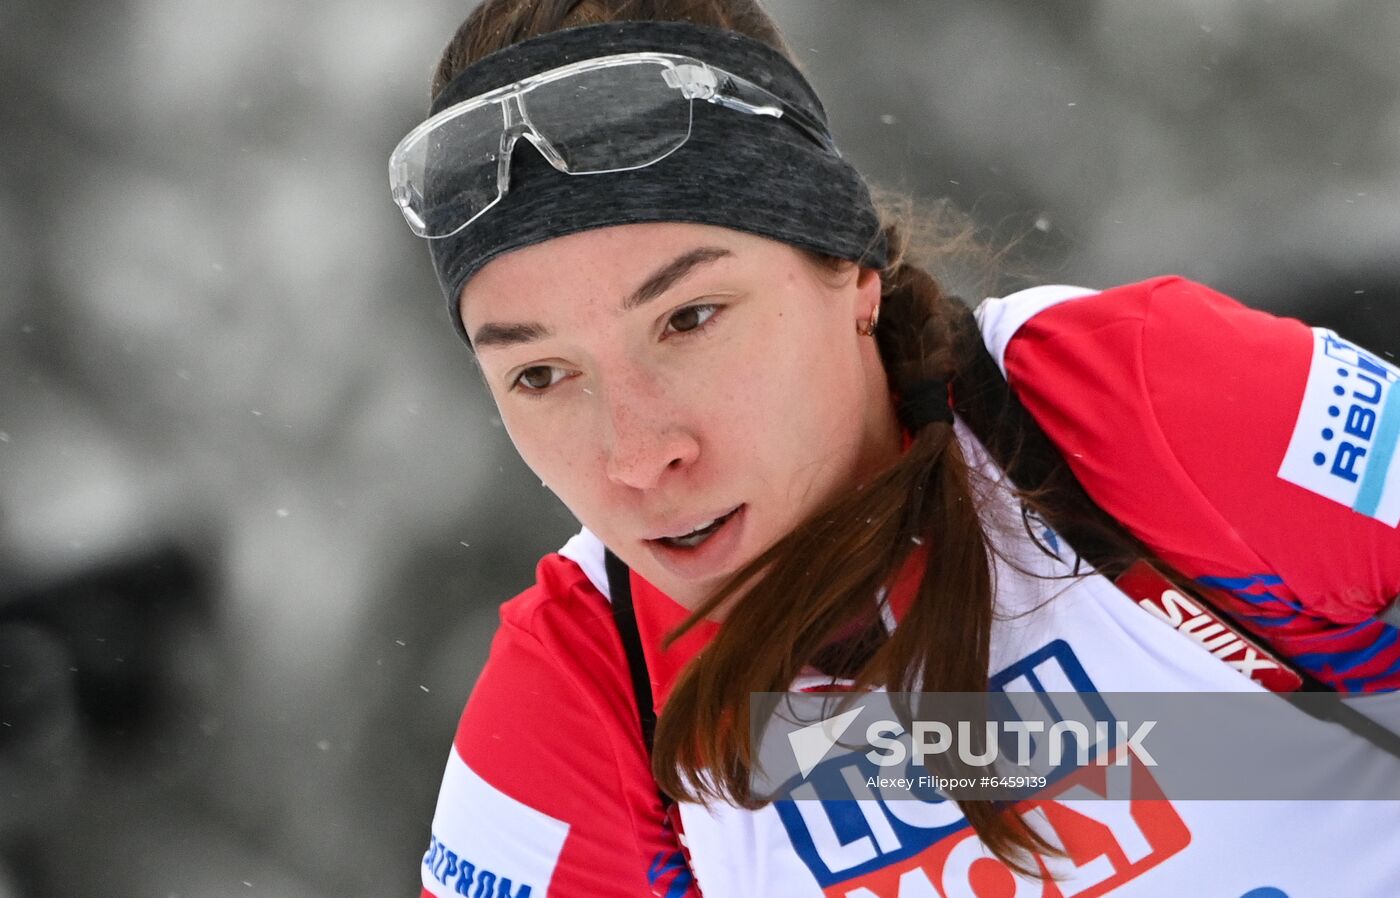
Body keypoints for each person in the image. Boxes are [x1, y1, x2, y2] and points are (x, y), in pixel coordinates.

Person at [390, 1, 1400, 895]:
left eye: (689, 318)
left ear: (850, 270)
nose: (637, 453)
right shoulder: (586, 696)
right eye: (540, 375)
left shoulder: (1134, 404)